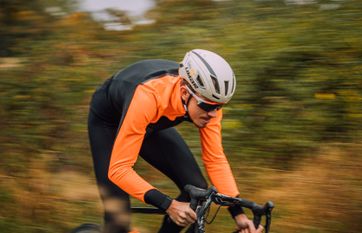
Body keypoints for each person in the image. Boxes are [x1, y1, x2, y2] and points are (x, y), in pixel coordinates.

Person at [88, 49, 263, 233]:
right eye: (208, 106)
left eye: (219, 107)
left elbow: (215, 160)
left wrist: (239, 215)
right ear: (184, 92)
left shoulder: (208, 104)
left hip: (149, 122)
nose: (213, 114)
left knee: (197, 189)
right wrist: (169, 205)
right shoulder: (149, 96)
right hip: (108, 123)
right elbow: (119, 170)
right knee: (118, 219)